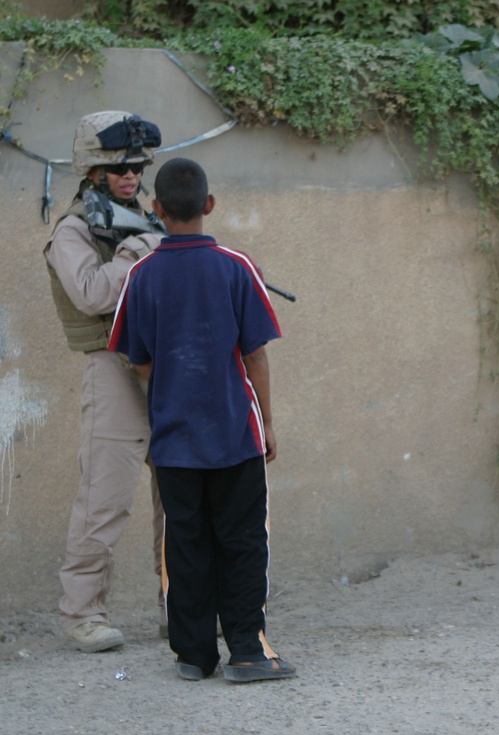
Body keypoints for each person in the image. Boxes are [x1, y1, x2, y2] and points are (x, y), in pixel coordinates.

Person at [109, 157, 296, 682]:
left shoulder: (141, 276)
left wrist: (173, 381)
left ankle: (193, 655)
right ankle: (249, 652)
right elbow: (255, 354)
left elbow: (137, 357)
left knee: (183, 543)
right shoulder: (237, 267)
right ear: (209, 205)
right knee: (242, 540)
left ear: (157, 209)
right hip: (237, 432)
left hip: (173, 439)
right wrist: (270, 423)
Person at [44, 110, 166, 652]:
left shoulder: (146, 221)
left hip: (162, 368)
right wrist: (137, 251)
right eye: (118, 169)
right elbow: (92, 294)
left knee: (179, 496)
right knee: (105, 498)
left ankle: (181, 607)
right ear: (92, 172)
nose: (130, 177)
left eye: (137, 167)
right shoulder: (74, 230)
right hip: (111, 365)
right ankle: (83, 613)